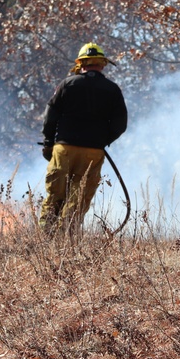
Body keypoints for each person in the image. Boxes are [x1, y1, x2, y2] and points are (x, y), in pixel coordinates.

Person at [40, 43, 128, 233]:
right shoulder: (112, 89)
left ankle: (46, 237)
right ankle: (66, 237)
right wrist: (102, 141)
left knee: (55, 194)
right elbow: (120, 125)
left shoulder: (67, 84)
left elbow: (50, 116)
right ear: (103, 64)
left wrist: (48, 143)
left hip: (64, 148)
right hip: (93, 152)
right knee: (78, 198)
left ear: (80, 64)